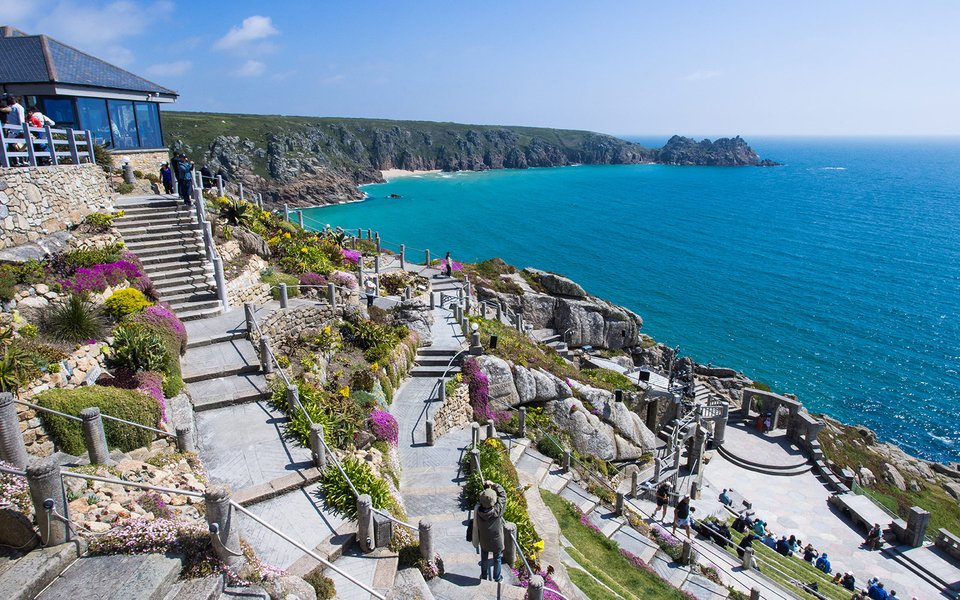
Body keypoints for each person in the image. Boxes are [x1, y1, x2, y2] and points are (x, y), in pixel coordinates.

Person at [472, 479, 506, 582]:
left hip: (484, 539)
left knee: (484, 558)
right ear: (494, 501)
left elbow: (484, 499)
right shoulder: (498, 510)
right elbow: (503, 494)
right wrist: (493, 484)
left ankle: (484, 576)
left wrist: (486, 490)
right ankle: (497, 578)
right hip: (497, 541)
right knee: (497, 558)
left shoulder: (478, 510)